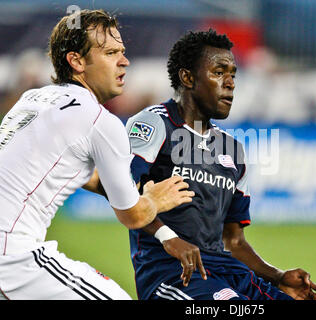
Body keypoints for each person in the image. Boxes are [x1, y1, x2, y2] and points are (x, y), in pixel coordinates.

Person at [0, 9, 195, 300]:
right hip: (13, 257)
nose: (124, 61)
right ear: (77, 61)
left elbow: (60, 170)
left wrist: (122, 190)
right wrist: (155, 199)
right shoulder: (99, 121)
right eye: (110, 53)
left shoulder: (33, 99)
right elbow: (133, 215)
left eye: (123, 51)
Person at [126, 29, 316, 300]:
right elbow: (125, 192)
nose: (230, 83)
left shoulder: (233, 150)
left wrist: (278, 276)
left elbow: (233, 241)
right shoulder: (153, 123)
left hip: (228, 273)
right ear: (187, 77)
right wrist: (167, 237)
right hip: (173, 275)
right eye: (219, 72)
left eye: (233, 74)